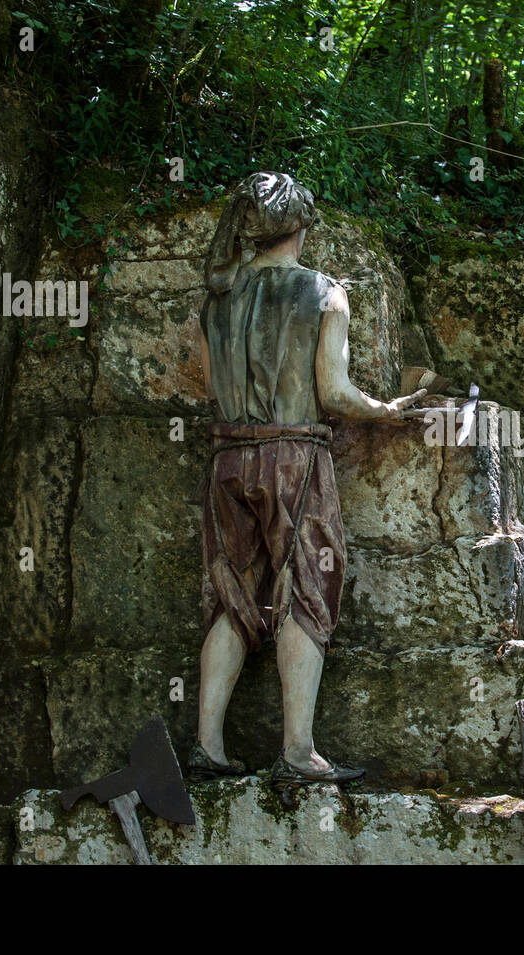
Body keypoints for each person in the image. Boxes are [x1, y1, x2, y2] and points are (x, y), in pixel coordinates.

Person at [188, 172, 425, 783]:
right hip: (294, 456)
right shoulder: (323, 292)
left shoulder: (217, 298)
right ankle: (298, 753)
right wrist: (388, 410)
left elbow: (211, 386)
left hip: (226, 459)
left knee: (230, 594)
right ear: (300, 225)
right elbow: (334, 392)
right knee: (305, 593)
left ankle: (207, 747)